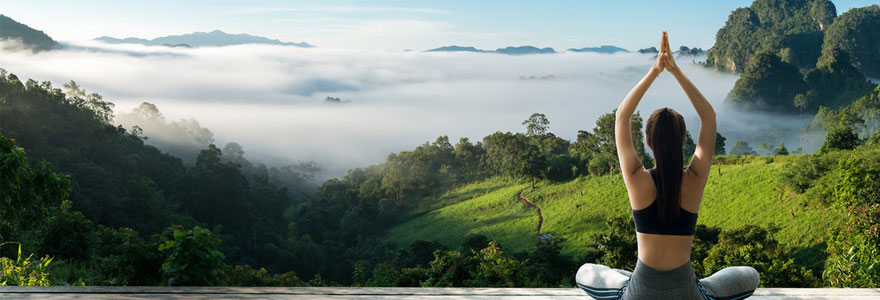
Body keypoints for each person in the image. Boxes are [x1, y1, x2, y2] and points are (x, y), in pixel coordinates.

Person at [575, 32, 760, 300]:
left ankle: (625, 281)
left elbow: (622, 117)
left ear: (648, 141)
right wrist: (675, 71)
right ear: (684, 140)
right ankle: (695, 286)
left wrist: (655, 70)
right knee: (750, 275)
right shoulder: (694, 179)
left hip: (639, 292)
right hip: (688, 292)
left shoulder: (638, 180)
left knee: (585, 272)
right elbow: (708, 117)